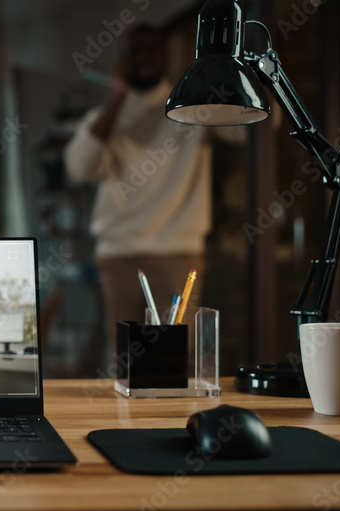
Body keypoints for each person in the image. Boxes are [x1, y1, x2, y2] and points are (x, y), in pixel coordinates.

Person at [64, 25, 245, 347]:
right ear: (122, 59)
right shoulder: (104, 116)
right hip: (118, 253)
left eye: (151, 49)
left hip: (178, 251)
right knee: (123, 357)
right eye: (134, 51)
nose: (143, 58)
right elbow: (80, 168)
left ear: (166, 56)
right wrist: (117, 96)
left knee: (179, 358)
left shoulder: (190, 107)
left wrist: (242, 74)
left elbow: (248, 130)